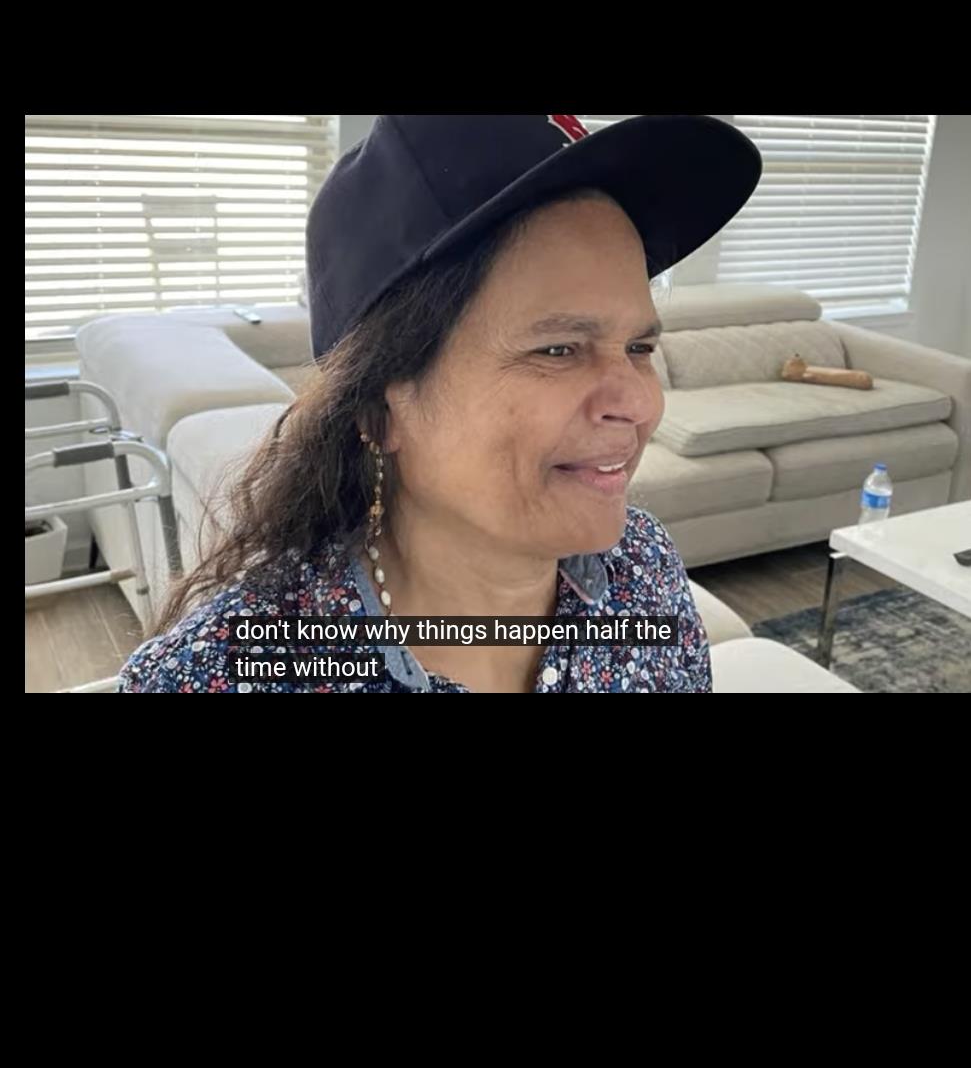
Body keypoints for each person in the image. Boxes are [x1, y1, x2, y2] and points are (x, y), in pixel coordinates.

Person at [118, 114, 761, 693]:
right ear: (377, 408)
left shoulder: (643, 573)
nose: (638, 402)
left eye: (640, 347)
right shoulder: (227, 674)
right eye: (559, 349)